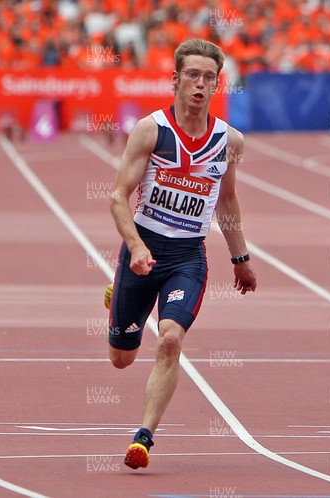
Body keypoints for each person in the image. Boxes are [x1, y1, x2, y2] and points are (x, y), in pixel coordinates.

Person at [106, 38, 257, 469]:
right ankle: (114, 300)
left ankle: (144, 436)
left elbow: (227, 202)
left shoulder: (230, 141)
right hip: (143, 251)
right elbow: (118, 196)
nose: (200, 84)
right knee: (121, 358)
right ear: (175, 79)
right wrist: (135, 246)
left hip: (188, 257)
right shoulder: (151, 130)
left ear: (216, 85)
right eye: (192, 74)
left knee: (170, 339)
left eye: (209, 77)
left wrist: (240, 258)